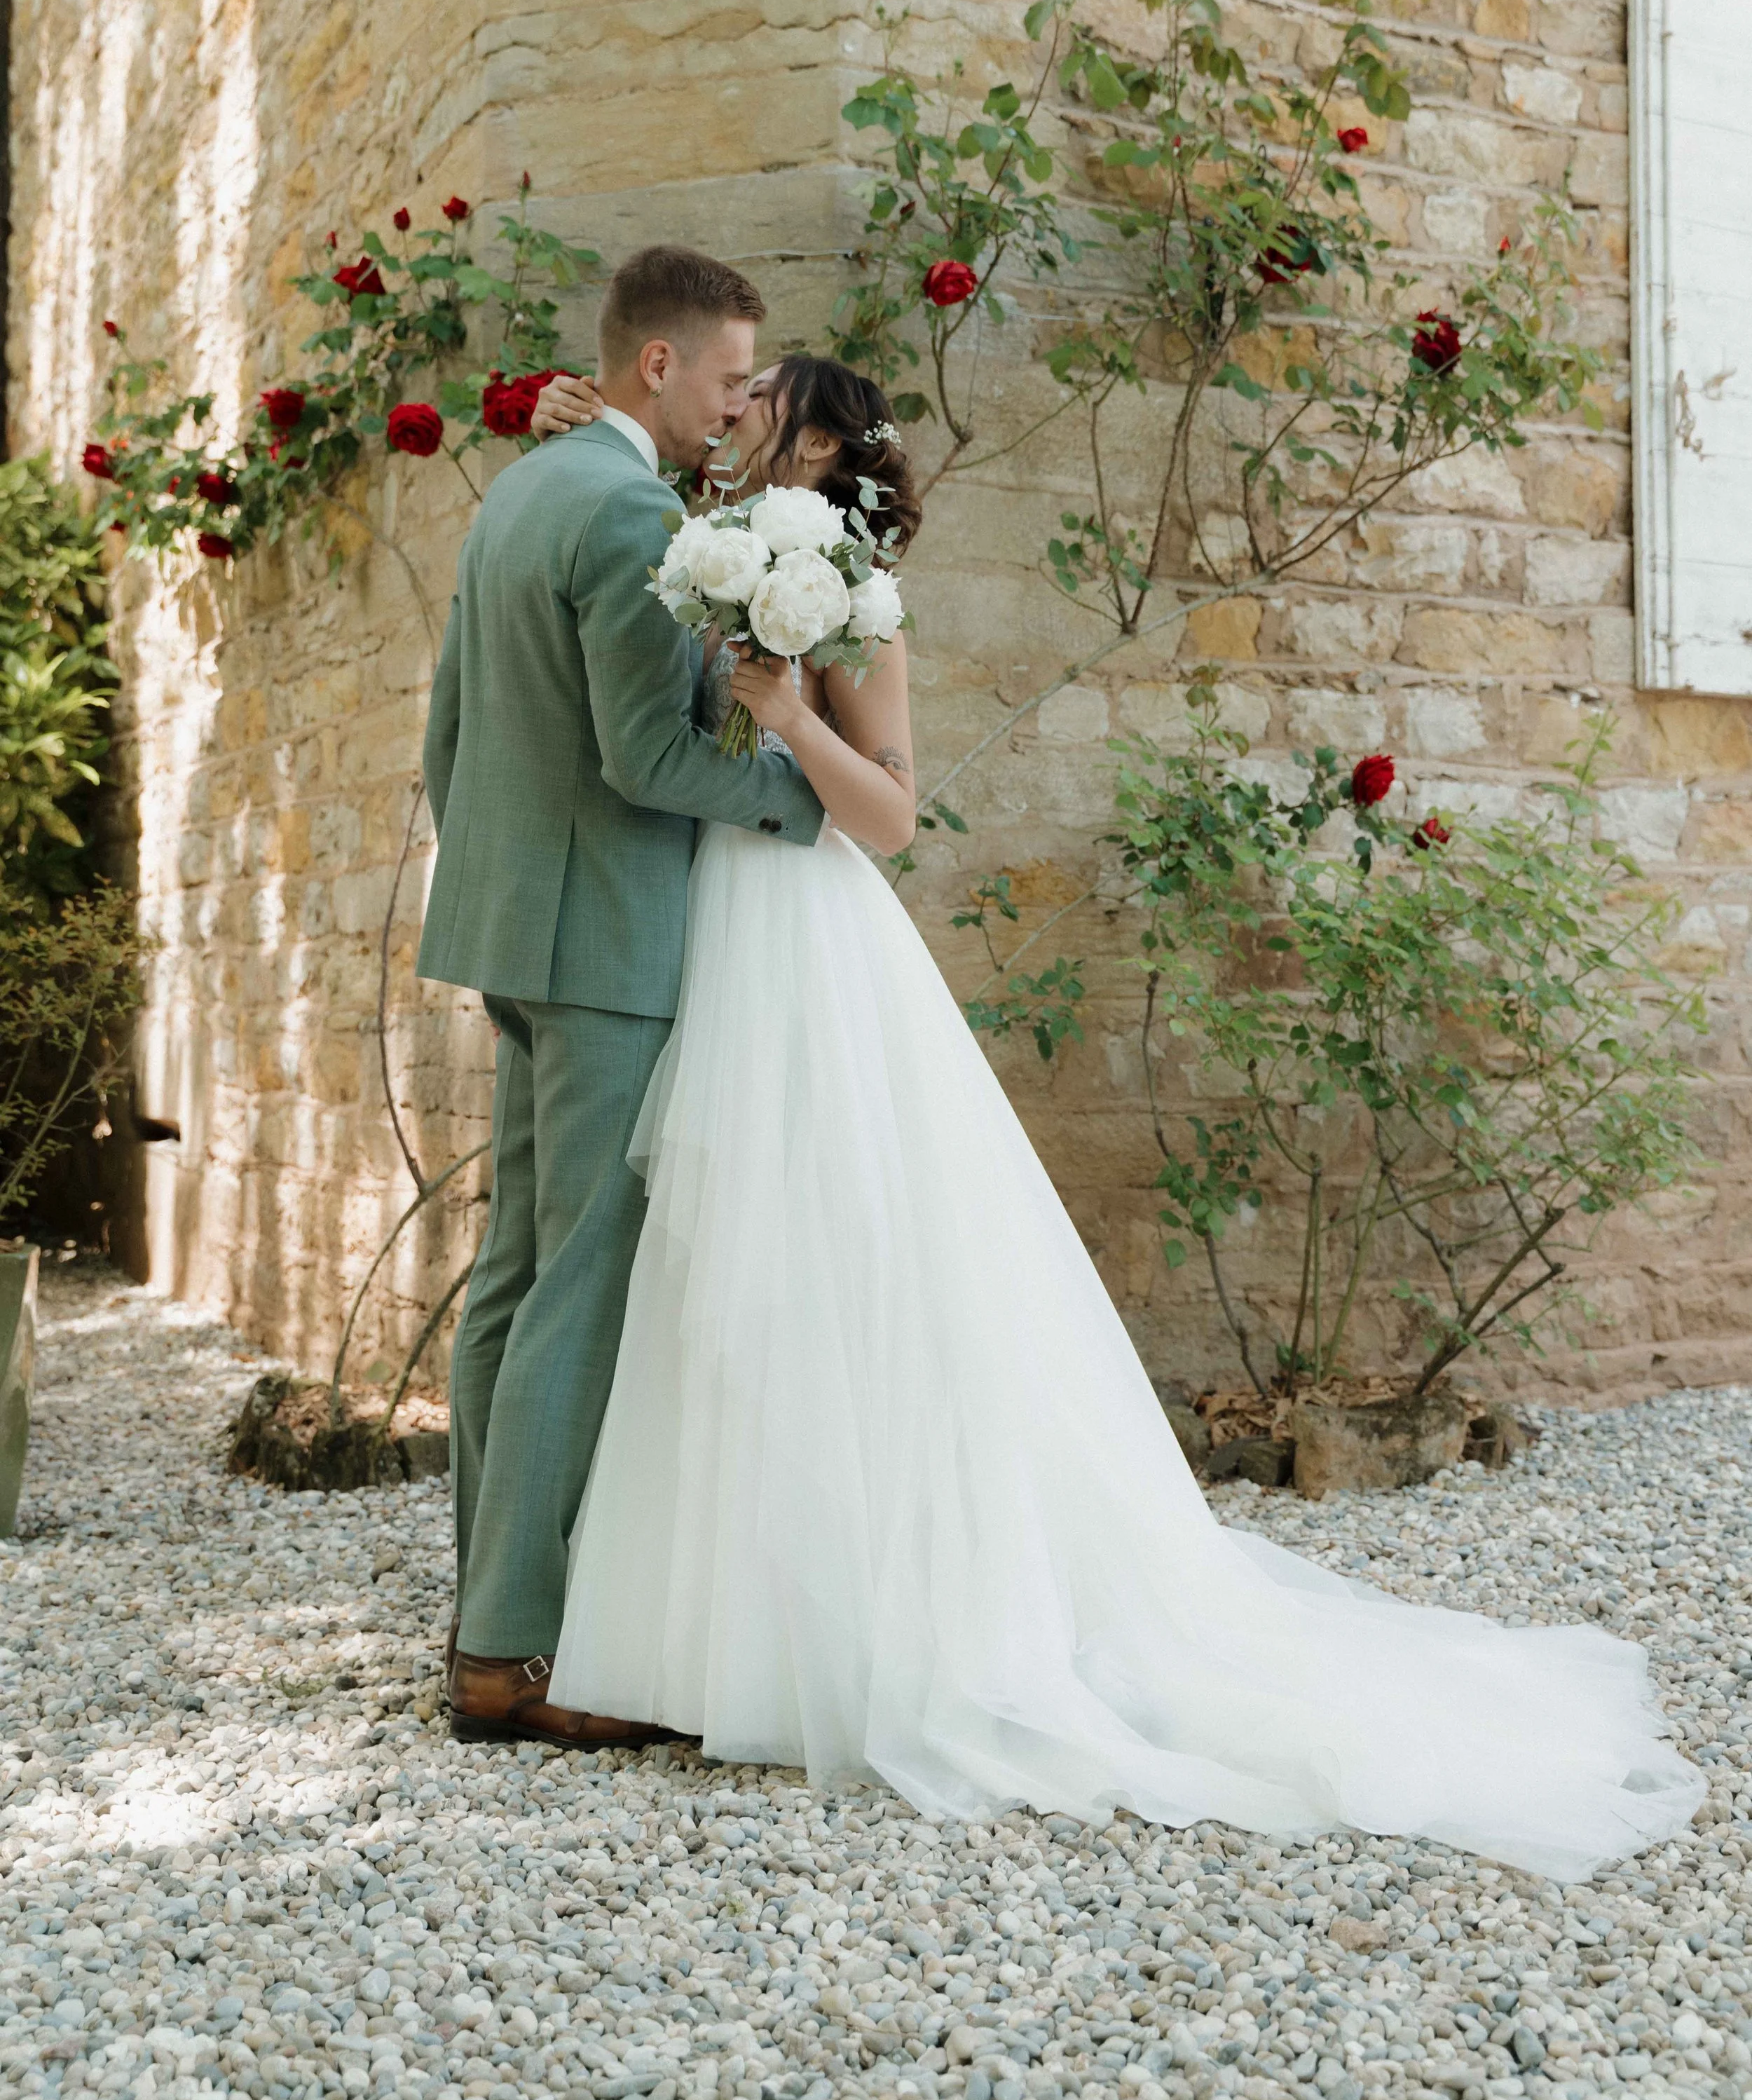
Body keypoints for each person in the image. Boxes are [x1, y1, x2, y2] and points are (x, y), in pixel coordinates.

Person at [521, 353, 1702, 1883]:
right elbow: (637, 480)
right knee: (724, 1261)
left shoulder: (856, 591)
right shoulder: (712, 537)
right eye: (726, 402)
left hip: (812, 934)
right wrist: (569, 413)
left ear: (815, 442)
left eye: (759, 406)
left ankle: (860, 1637)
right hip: (710, 929)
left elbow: (886, 816)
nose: (730, 417)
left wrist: (781, 713)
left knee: (842, 1251)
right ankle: (714, 1640)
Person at [417, 246, 825, 1748]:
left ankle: (486, 1621)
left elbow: (447, 735)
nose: (734, 408)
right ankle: (513, 1654)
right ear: (658, 365)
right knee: (574, 1283)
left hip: (517, 932)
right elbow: (645, 760)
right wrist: (807, 802)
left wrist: (500, 895)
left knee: (514, 1282)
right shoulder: (626, 511)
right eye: (726, 379)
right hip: (603, 950)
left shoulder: (520, 494)